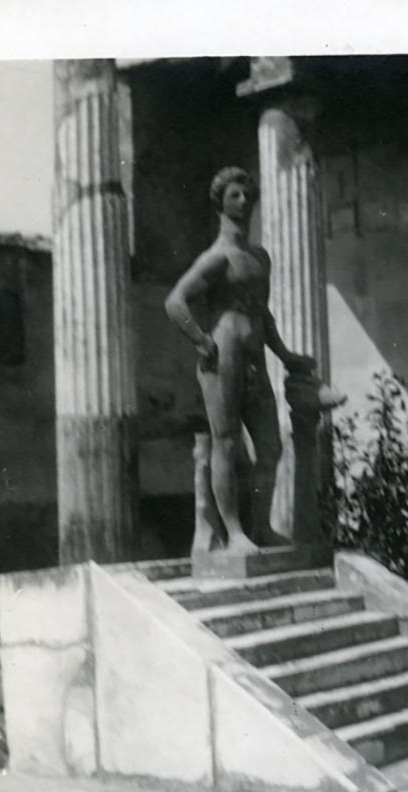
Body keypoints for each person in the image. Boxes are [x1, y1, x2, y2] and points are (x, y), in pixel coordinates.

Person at [165, 167, 315, 552]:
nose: (244, 202)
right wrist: (200, 339)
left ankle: (261, 526)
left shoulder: (259, 257)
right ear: (220, 202)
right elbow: (175, 301)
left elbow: (263, 314)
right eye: (235, 195)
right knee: (226, 443)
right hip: (223, 353)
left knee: (270, 446)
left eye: (248, 195)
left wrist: (287, 356)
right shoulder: (215, 258)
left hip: (254, 355)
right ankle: (234, 532)